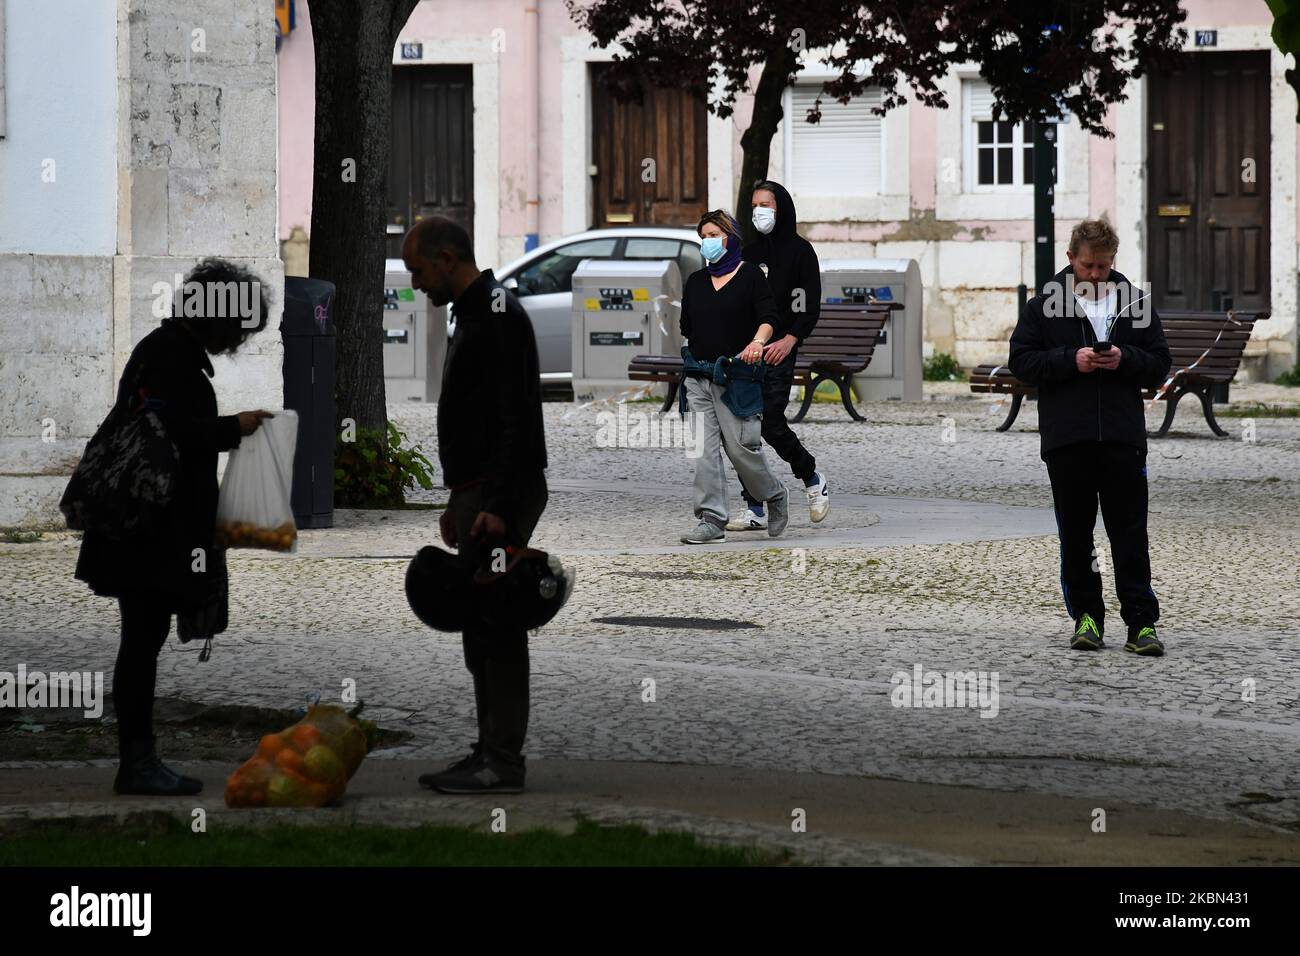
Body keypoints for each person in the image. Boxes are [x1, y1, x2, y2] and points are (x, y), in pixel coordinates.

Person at [74, 258, 273, 795]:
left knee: (143, 638)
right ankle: (136, 765)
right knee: (141, 641)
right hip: (148, 528)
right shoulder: (168, 357)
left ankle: (139, 761)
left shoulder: (168, 350)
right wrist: (235, 427)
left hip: (150, 526)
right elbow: (174, 432)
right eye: (239, 325)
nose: (238, 338)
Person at [403, 217, 549, 794]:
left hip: (499, 493)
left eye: (419, 270)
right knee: (480, 621)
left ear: (446, 258)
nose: (416, 284)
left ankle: (502, 762)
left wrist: (496, 505)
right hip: (480, 492)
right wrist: (458, 496)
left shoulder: (495, 315)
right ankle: (489, 748)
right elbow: (480, 416)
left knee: (497, 621)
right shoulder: (476, 312)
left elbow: (514, 417)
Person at [1009, 219, 1171, 656]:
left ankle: (1141, 624)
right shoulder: (1044, 306)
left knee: (1130, 534)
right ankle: (1086, 618)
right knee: (1077, 536)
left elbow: (1159, 365)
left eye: (1104, 266)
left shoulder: (1135, 302)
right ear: (1070, 260)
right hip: (1069, 438)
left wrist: (1124, 358)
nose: (1097, 275)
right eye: (1088, 266)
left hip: (1122, 437)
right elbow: (1021, 362)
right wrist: (1069, 360)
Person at [677, 210, 789, 544]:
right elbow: (687, 327)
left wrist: (757, 342)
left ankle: (774, 494)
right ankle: (711, 519)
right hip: (698, 376)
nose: (708, 242)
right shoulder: (696, 281)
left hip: (736, 377)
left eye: (714, 235)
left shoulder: (751, 276)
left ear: (731, 238)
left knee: (741, 449)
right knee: (703, 450)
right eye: (704, 236)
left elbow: (769, 318)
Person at [727, 180, 828, 531]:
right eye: (755, 205)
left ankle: (812, 477)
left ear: (781, 208)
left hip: (779, 352)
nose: (760, 211)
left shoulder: (800, 252)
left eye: (766, 204)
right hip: (747, 353)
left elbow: (808, 307)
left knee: (770, 421)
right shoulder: (749, 254)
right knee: (742, 430)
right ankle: (755, 506)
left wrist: (789, 339)